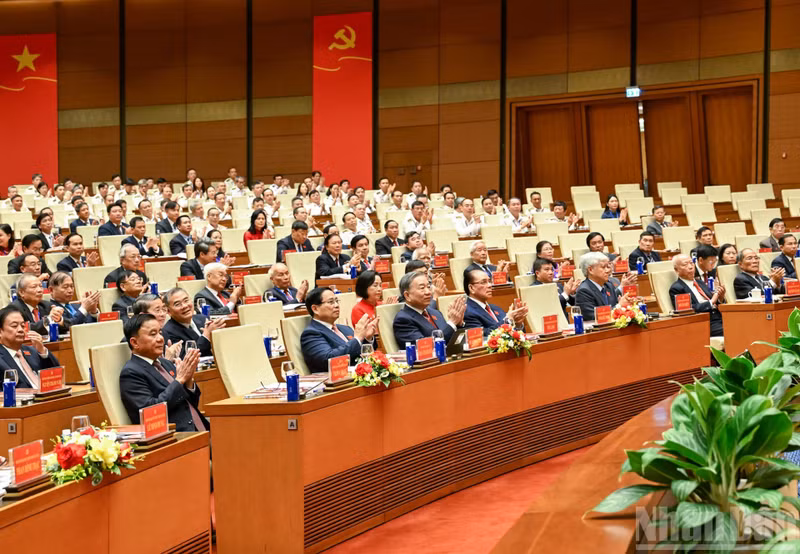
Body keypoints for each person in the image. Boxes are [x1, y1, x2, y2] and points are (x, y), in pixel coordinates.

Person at [119, 314, 208, 432]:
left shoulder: (165, 363)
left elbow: (189, 403)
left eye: (160, 332)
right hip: (174, 436)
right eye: (153, 334)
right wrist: (180, 380)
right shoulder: (131, 373)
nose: (160, 338)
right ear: (135, 342)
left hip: (201, 427)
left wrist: (189, 381)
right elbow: (150, 411)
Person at [300, 287, 377, 373]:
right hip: (336, 381)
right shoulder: (311, 333)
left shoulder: (345, 328)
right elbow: (328, 360)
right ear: (315, 309)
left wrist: (367, 338)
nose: (336, 305)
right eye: (331, 302)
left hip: (359, 375)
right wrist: (357, 339)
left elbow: (358, 352)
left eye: (337, 301)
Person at [393, 271, 466, 346]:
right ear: (407, 295)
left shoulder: (436, 313)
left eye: (428, 287)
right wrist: (452, 322)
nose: (428, 292)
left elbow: (450, 338)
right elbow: (426, 347)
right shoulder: (403, 320)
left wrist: (458, 324)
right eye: (422, 288)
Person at [0, 306, 61, 389]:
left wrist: (42, 351)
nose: (20, 330)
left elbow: (57, 375)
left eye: (22, 325)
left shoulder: (31, 351)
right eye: (14, 326)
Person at [669, 255, 724, 337]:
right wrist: (711, 302)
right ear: (676, 270)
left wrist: (720, 298)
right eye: (685, 264)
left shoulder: (700, 282)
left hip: (719, 318)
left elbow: (715, 302)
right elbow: (686, 310)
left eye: (691, 263)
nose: (690, 267)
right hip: (704, 323)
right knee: (733, 329)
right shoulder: (677, 288)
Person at [162, 288, 226, 358]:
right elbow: (187, 358)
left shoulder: (202, 318)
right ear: (168, 311)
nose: (184, 306)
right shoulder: (168, 332)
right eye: (177, 304)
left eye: (186, 301)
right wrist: (206, 335)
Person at [462, 269, 527, 336]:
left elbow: (510, 335)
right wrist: (507, 320)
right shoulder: (466, 312)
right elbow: (481, 336)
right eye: (483, 282)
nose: (490, 285)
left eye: (489, 281)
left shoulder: (496, 308)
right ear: (471, 288)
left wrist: (518, 324)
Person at [574, 252, 636, 321]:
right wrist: (619, 306)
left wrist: (624, 305)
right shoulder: (584, 291)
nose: (608, 270)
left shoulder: (609, 285)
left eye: (608, 267)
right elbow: (595, 317)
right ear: (590, 270)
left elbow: (614, 306)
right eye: (603, 267)